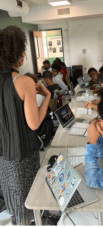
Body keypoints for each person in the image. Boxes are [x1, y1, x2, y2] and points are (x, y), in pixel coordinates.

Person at [0, 26, 51, 225]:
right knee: (29, 193)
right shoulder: (23, 81)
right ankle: (32, 220)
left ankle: (18, 219)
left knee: (12, 191)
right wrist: (46, 96)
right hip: (24, 152)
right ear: (20, 56)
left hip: (4, 153)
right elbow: (34, 123)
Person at [58, 90, 103, 225]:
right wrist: (99, 135)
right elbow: (102, 153)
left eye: (99, 118)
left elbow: (93, 180)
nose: (97, 121)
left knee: (64, 221)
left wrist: (92, 141)